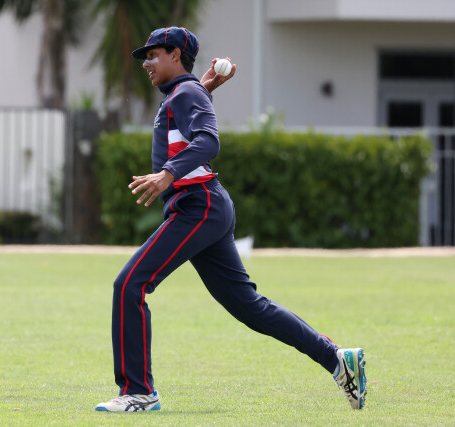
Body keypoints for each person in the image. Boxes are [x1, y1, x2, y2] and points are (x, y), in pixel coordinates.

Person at [95, 27, 366, 413]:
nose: (146, 63)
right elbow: (192, 121)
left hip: (198, 205)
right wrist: (204, 87)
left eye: (153, 55)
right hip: (205, 206)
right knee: (248, 306)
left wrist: (167, 173)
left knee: (129, 285)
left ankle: (138, 392)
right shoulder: (187, 92)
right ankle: (337, 359)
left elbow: (208, 140)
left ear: (175, 55)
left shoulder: (185, 93)